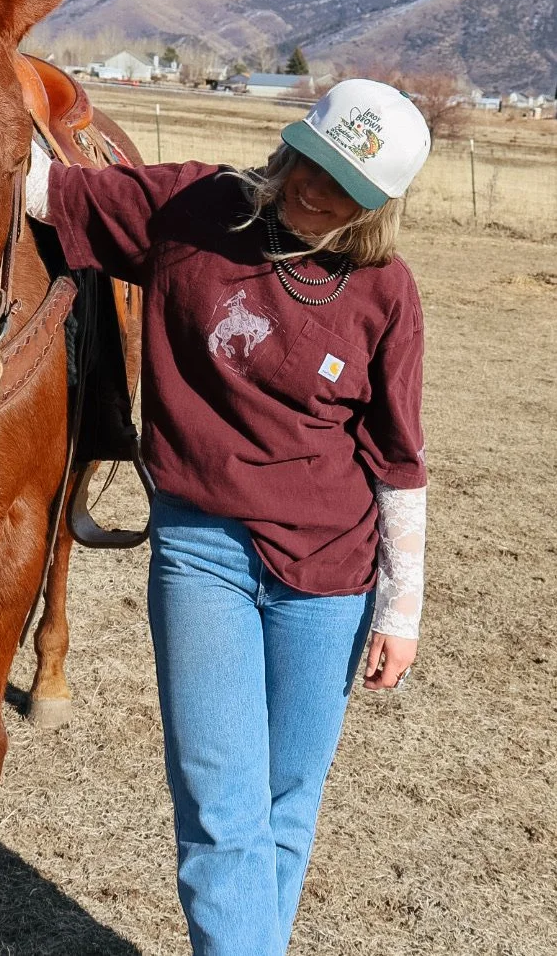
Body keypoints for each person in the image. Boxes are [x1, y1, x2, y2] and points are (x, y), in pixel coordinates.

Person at [25, 79, 430, 955]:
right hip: (201, 549)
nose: (314, 189)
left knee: (285, 802)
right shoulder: (192, 208)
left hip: (331, 573)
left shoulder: (386, 292)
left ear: (378, 203)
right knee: (218, 809)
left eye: (345, 184)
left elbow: (397, 458)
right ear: (289, 147)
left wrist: (400, 610)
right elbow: (41, 191)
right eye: (310, 162)